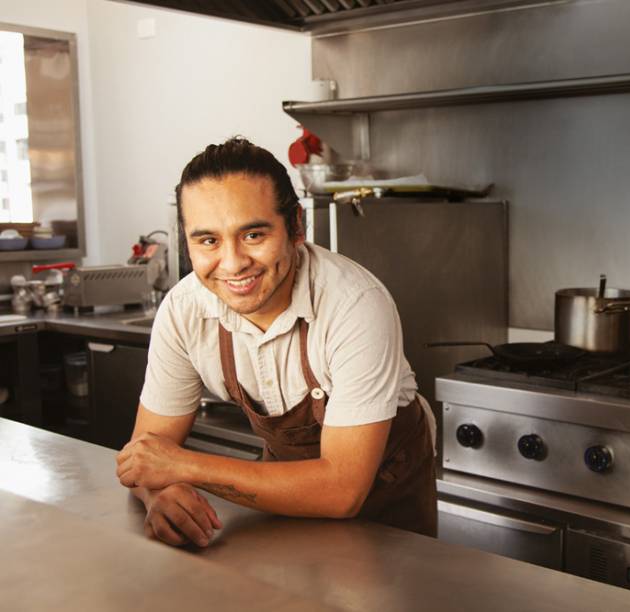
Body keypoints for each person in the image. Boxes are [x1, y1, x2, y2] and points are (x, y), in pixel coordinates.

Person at [115, 137, 437, 547]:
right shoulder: (183, 311)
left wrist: (184, 468)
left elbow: (342, 489)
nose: (233, 264)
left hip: (389, 522)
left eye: (253, 235)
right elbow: (146, 455)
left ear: (296, 227)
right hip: (283, 514)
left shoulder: (354, 304)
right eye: (208, 240)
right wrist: (158, 495)